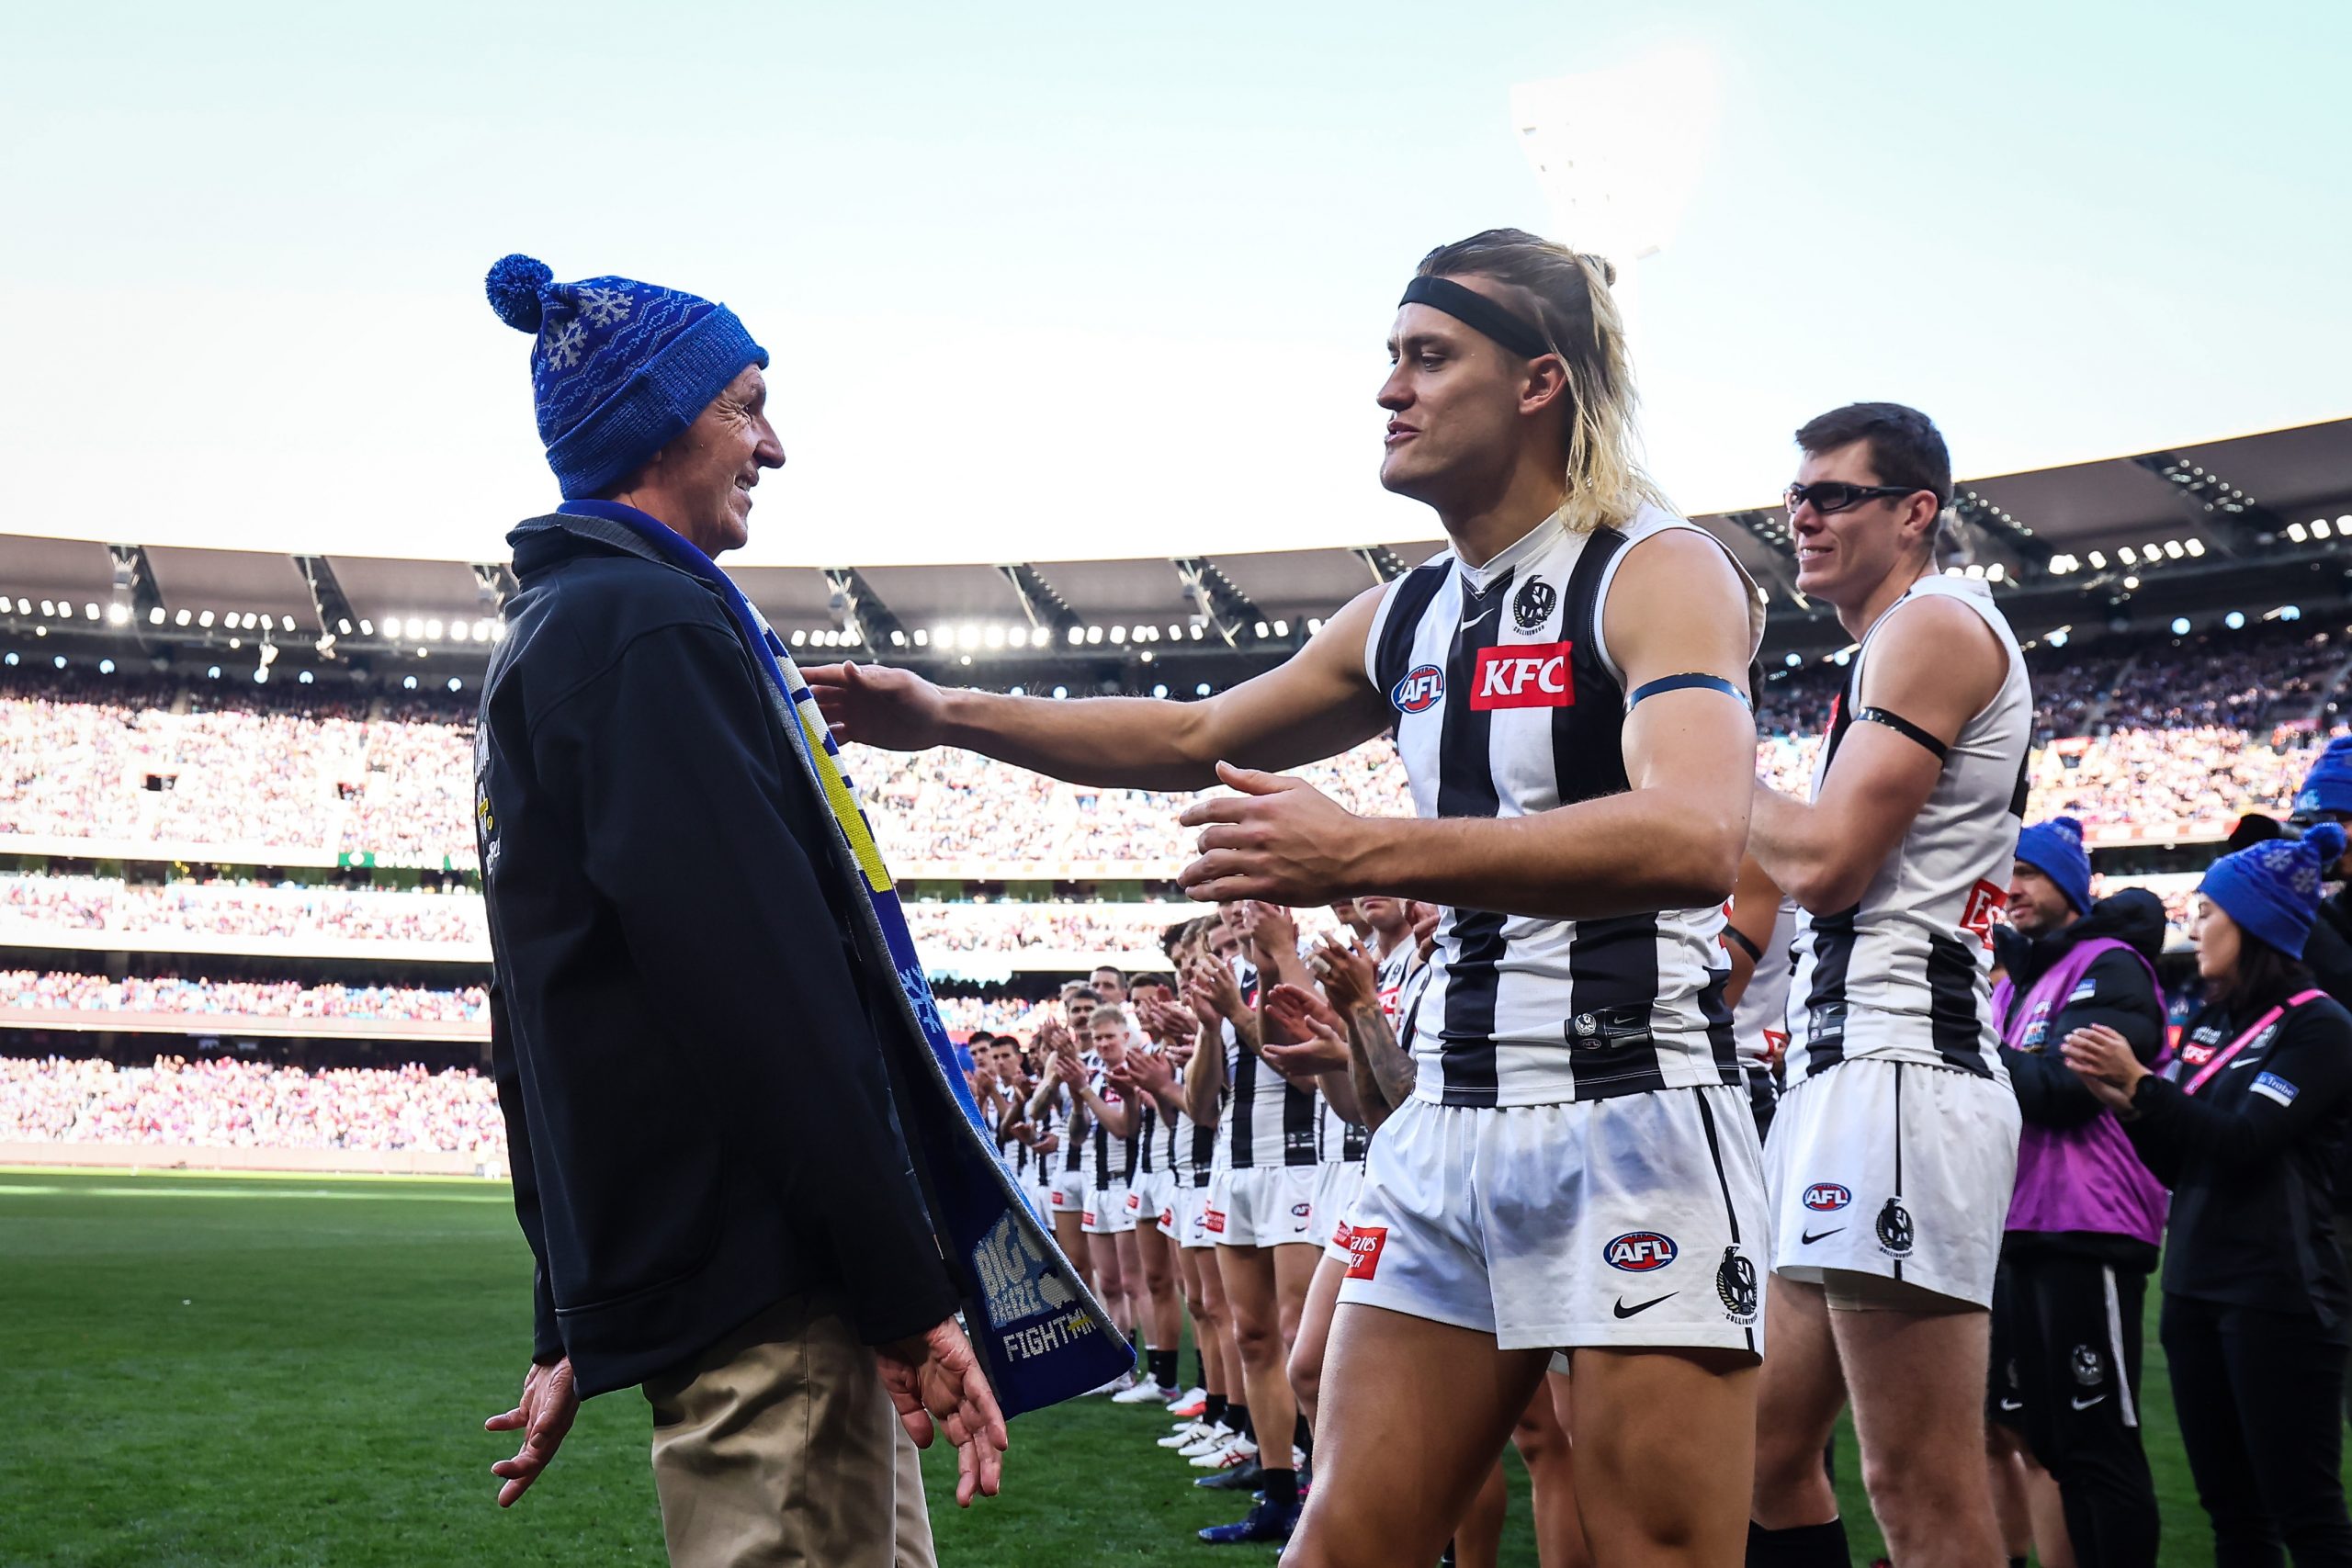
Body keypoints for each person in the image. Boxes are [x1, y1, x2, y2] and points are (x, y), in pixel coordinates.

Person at [812, 227, 1769, 1566]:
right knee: (1339, 1540)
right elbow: (1193, 727)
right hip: (1448, 1128)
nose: (1391, 388)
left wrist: (1364, 848)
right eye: (1391, 358)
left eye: (1430, 357)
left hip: (1632, 1117)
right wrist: (948, 713)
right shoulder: (1411, 609)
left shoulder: (1656, 567)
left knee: (1655, 1547)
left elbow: (1694, 832)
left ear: (1541, 382)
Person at [470, 255, 1003, 1565]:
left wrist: (567, 1312)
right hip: (776, 1284)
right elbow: (761, 987)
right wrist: (901, 1284)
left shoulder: (556, 631)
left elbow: (539, 1010)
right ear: (655, 423)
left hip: (729, 1277)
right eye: (745, 405)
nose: (775, 443)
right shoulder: (649, 626)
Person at [1746, 402, 2030, 1568]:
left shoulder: (1935, 624)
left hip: (1901, 1071)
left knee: (1916, 1488)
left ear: (1915, 514)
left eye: (1832, 495)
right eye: (1795, 495)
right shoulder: (1888, 644)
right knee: (1764, 1451)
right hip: (1844, 1074)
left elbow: (1822, 866)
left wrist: (1693, 756)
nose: (1801, 516)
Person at [2067, 825, 2352, 1567]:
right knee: (2233, 1515)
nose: (2194, 924)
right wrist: (2124, 1104)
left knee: (2309, 1516)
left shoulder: (2321, 1026)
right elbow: (2177, 1157)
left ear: (2254, 924)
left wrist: (2145, 1087)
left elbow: (2245, 1140)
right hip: (2194, 1286)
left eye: (2209, 911)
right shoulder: (2211, 1020)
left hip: (2280, 1294)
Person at [1990, 817, 2167, 1568]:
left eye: (2030, 872)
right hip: (2023, 1227)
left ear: (2069, 884)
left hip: (2085, 1223)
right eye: (2008, 874)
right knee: (2053, 1444)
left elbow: (2066, 1090)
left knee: (2100, 1441)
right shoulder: (2021, 984)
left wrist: (1968, 1038)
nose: (2014, 888)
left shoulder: (2108, 964)